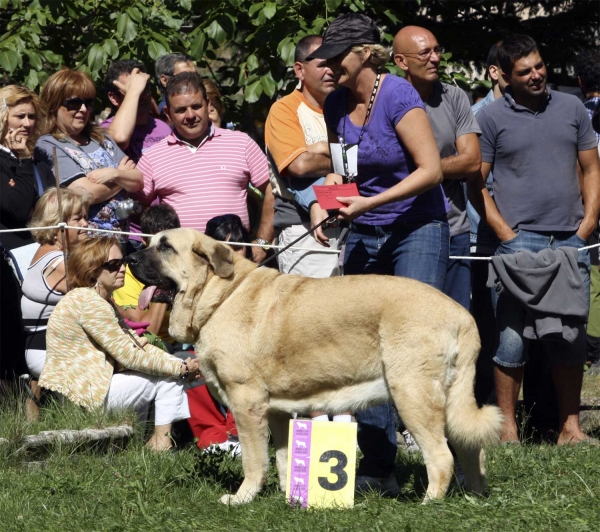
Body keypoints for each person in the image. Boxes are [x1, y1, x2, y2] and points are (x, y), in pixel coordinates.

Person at [308, 13, 446, 494]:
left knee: (415, 347)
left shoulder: (397, 95)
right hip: (365, 231)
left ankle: (445, 463)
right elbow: (343, 172)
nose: (327, 68)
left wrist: (371, 201)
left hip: (417, 228)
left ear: (365, 53)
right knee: (363, 349)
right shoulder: (335, 105)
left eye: (335, 58)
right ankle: (378, 466)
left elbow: (431, 171)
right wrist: (323, 204)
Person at [472, 34, 600, 444]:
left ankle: (570, 428)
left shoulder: (572, 107)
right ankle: (507, 429)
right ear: (505, 76)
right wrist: (504, 233)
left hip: (569, 238)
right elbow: (477, 183)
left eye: (539, 66)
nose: (537, 75)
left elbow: (592, 170)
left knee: (569, 338)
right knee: (510, 340)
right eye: (525, 71)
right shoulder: (490, 118)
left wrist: (587, 224)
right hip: (518, 243)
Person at [38, 236, 200, 451]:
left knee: (162, 372)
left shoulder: (99, 301)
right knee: (169, 379)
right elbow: (129, 355)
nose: (123, 269)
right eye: (114, 265)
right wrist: (179, 369)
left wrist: (178, 365)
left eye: (122, 262)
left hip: (90, 392)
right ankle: (160, 442)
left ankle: (133, 445)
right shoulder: (87, 302)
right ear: (92, 269)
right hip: (85, 398)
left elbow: (137, 346)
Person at [134, 71, 274, 263]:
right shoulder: (152, 157)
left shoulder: (241, 143)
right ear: (168, 113)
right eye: (181, 110)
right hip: (182, 267)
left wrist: (263, 242)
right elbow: (139, 208)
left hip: (236, 262)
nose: (190, 115)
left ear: (208, 105)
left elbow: (272, 191)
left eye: (196, 106)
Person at [393, 26, 481, 310]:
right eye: (425, 53)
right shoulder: (385, 99)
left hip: (453, 227)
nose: (435, 58)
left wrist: (425, 169)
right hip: (402, 228)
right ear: (401, 61)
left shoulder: (454, 97)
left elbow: (471, 161)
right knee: (413, 320)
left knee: (456, 319)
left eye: (437, 50)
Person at [36, 69, 143, 245]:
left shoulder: (101, 136)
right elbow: (86, 194)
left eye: (88, 102)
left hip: (121, 242)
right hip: (87, 247)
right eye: (74, 103)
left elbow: (138, 180)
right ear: (54, 105)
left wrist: (114, 174)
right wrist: (122, 177)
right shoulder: (48, 144)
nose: (83, 109)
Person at [265, 35, 341, 279]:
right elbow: (299, 165)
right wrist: (344, 158)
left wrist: (322, 150)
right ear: (300, 69)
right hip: (304, 230)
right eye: (322, 65)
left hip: (352, 224)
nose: (331, 70)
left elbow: (369, 162)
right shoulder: (284, 110)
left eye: (335, 63)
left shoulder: (350, 108)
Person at [0, 85, 54, 386]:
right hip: (9, 259)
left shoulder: (39, 159)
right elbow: (17, 208)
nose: (27, 124)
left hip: (42, 255)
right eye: (19, 116)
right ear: (3, 118)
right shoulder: (13, 159)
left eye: (32, 117)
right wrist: (21, 162)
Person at [21, 188, 89, 420]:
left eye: (85, 217)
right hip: (47, 352)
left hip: (47, 349)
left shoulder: (46, 252)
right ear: (56, 225)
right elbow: (99, 300)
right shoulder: (59, 263)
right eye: (78, 219)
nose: (87, 224)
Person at [468, 41, 507, 404]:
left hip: (522, 236)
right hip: (485, 240)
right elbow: (475, 183)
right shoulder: (477, 116)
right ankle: (485, 399)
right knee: (487, 322)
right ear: (495, 72)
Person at [113, 204, 180, 345]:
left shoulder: (186, 268)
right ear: (144, 240)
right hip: (154, 346)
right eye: (157, 243)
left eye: (168, 244)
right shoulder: (130, 272)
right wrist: (163, 288)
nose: (162, 252)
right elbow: (145, 333)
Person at [575, 49, 600, 374]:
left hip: (587, 203)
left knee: (593, 277)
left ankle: (593, 350)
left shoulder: (575, 114)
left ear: (580, 81)